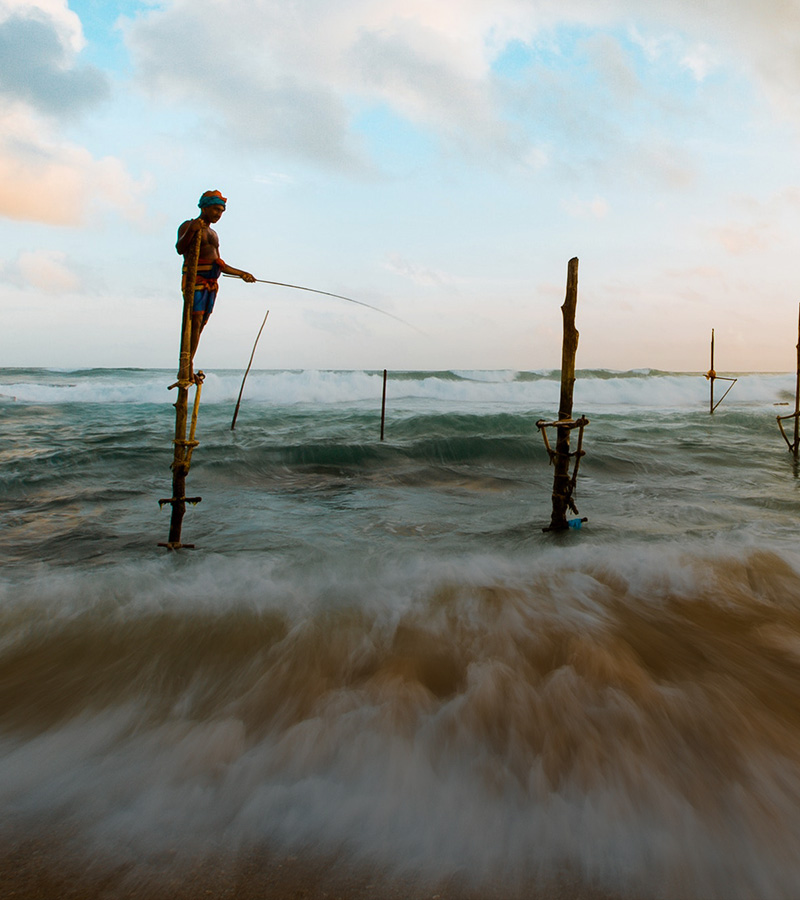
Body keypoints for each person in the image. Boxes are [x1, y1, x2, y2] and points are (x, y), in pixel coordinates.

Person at [176, 190, 256, 378]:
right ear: (204, 207)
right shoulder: (189, 225)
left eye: (221, 211)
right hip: (195, 280)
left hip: (212, 283)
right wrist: (192, 230)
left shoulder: (213, 233)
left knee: (201, 323)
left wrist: (242, 274)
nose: (218, 214)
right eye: (215, 209)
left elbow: (218, 263)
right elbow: (180, 248)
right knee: (193, 322)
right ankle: (184, 367)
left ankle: (189, 364)